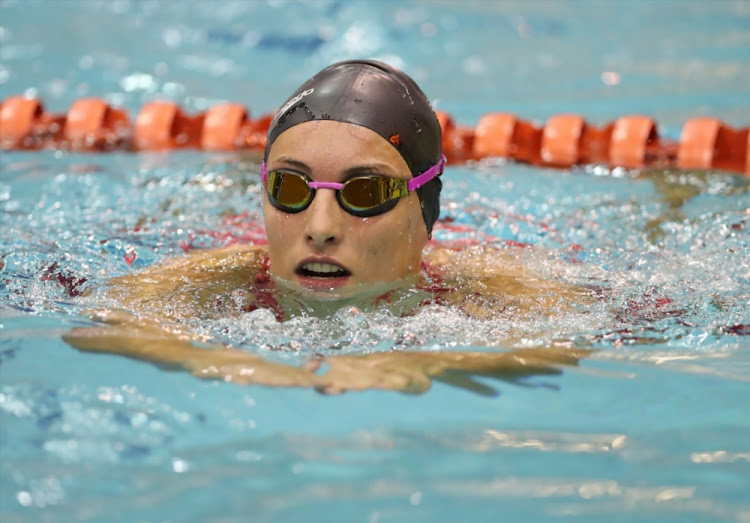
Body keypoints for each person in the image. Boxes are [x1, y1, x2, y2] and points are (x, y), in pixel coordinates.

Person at [63, 60, 593, 396]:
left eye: (366, 193)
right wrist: (218, 362)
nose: (320, 228)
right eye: (291, 190)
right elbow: (93, 323)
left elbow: (579, 338)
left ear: (425, 212)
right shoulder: (220, 274)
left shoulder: (482, 286)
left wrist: (431, 362)